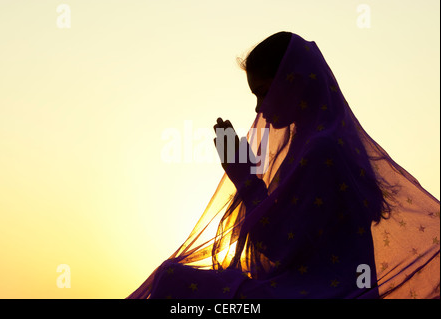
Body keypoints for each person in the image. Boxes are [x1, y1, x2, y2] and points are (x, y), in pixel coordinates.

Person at [127, 31, 440, 299]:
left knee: (174, 281)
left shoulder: (323, 150)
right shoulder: (317, 144)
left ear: (294, 84)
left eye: (264, 93)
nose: (260, 107)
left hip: (317, 293)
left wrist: (245, 178)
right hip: (307, 288)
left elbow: (277, 246)